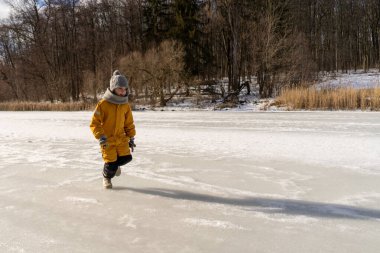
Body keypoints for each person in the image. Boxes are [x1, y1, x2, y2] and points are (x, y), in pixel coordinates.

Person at [90, 70, 136, 189]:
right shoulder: (103, 104)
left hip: (121, 138)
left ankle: (116, 166)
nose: (123, 91)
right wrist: (101, 136)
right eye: (120, 88)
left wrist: (131, 137)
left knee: (126, 158)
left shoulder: (125, 105)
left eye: (125, 89)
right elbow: (94, 123)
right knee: (111, 163)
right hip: (107, 140)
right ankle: (106, 178)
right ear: (113, 88)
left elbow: (129, 123)